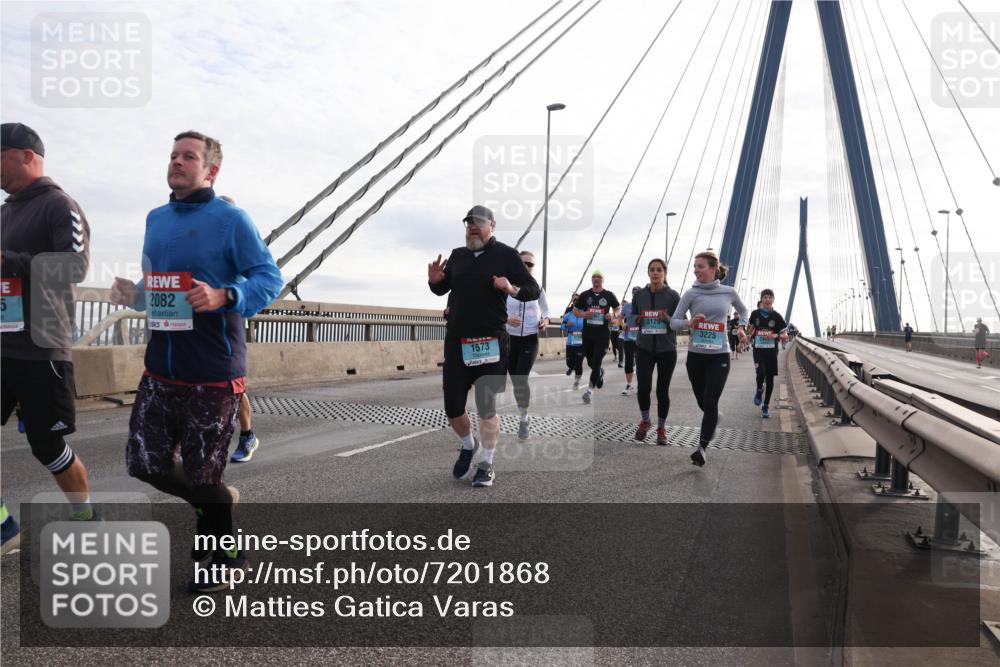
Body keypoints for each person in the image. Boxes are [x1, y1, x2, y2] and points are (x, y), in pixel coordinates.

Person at [110, 130, 283, 592]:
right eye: (173, 155)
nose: (177, 162)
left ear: (211, 170)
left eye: (189, 156)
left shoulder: (230, 219)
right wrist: (137, 295)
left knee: (204, 473)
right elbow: (166, 291)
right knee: (145, 464)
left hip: (212, 370)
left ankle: (220, 561)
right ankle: (220, 500)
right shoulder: (156, 218)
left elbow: (269, 278)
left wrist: (227, 293)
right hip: (161, 367)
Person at [1, 122, 96, 522]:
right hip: (3, 344)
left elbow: (76, 266)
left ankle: (87, 517)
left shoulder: (60, 205)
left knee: (47, 445)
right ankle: (5, 527)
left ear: (27, 156)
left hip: (42, 347)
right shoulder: (5, 211)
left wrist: (13, 262)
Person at [428, 205, 539, 488]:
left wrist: (510, 288)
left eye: (478, 222)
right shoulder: (458, 255)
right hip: (457, 343)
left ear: (492, 225)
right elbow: (444, 288)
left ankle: (487, 463)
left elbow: (532, 290)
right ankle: (468, 444)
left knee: (486, 407)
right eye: (468, 224)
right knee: (453, 408)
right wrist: (435, 281)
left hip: (491, 343)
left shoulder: (505, 255)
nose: (472, 227)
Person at [670, 251, 748, 466]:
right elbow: (674, 322)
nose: (695, 270)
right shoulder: (690, 294)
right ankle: (713, 418)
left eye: (700, 266)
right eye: (695, 266)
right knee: (703, 401)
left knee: (711, 401)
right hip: (696, 356)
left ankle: (701, 448)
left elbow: (743, 311)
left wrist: (741, 328)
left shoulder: (729, 292)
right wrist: (689, 323)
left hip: (719, 356)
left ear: (713, 269)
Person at [217, 196, 260, 463]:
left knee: (234, 389)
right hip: (202, 334)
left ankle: (247, 436)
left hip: (229, 335)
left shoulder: (239, 255)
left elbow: (254, 297)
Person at [631, 260, 681, 445]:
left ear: (665, 273)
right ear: (648, 273)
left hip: (667, 350)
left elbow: (682, 321)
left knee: (662, 390)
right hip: (644, 348)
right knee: (643, 388)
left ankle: (661, 427)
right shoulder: (639, 295)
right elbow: (632, 317)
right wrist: (637, 319)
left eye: (659, 270)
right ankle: (645, 420)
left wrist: (667, 318)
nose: (655, 273)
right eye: (652, 270)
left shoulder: (673, 296)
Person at [505, 250, 549, 440]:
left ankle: (524, 419)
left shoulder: (537, 287)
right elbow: (495, 309)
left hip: (530, 338)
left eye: (530, 264)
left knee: (521, 378)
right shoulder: (506, 286)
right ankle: (523, 412)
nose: (527, 267)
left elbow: (546, 310)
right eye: (524, 263)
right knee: (515, 380)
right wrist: (506, 319)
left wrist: (545, 321)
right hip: (509, 339)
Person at [574, 271, 620, 405]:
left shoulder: (609, 295)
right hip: (588, 333)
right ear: (591, 280)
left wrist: (613, 315)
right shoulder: (585, 295)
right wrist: (583, 314)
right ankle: (599, 374)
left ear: (602, 280)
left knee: (597, 361)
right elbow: (576, 310)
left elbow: (617, 308)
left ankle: (589, 391)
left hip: (602, 334)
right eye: (594, 277)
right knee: (590, 362)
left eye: (599, 277)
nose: (596, 279)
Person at [746, 289, 789, 419]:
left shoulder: (777, 316)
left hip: (771, 352)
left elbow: (784, 335)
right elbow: (751, 328)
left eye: (770, 297)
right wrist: (748, 335)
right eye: (765, 297)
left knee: (770, 380)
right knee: (760, 374)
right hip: (758, 350)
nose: (768, 299)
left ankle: (765, 406)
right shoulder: (755, 314)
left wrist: (774, 335)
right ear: (762, 299)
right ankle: (759, 390)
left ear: (773, 300)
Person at [620, 287, 641, 396]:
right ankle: (629, 385)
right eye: (634, 293)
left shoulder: (645, 305)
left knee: (641, 363)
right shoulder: (627, 306)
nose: (635, 295)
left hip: (641, 338)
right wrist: (622, 324)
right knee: (628, 362)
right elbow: (620, 318)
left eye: (638, 293)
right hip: (628, 338)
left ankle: (641, 384)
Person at [561, 295, 584, 389]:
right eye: (574, 300)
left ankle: (576, 382)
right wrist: (566, 326)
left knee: (579, 363)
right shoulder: (568, 315)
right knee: (569, 362)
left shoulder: (584, 314)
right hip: (570, 340)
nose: (576, 301)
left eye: (578, 300)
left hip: (581, 341)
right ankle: (571, 366)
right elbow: (561, 326)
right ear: (573, 302)